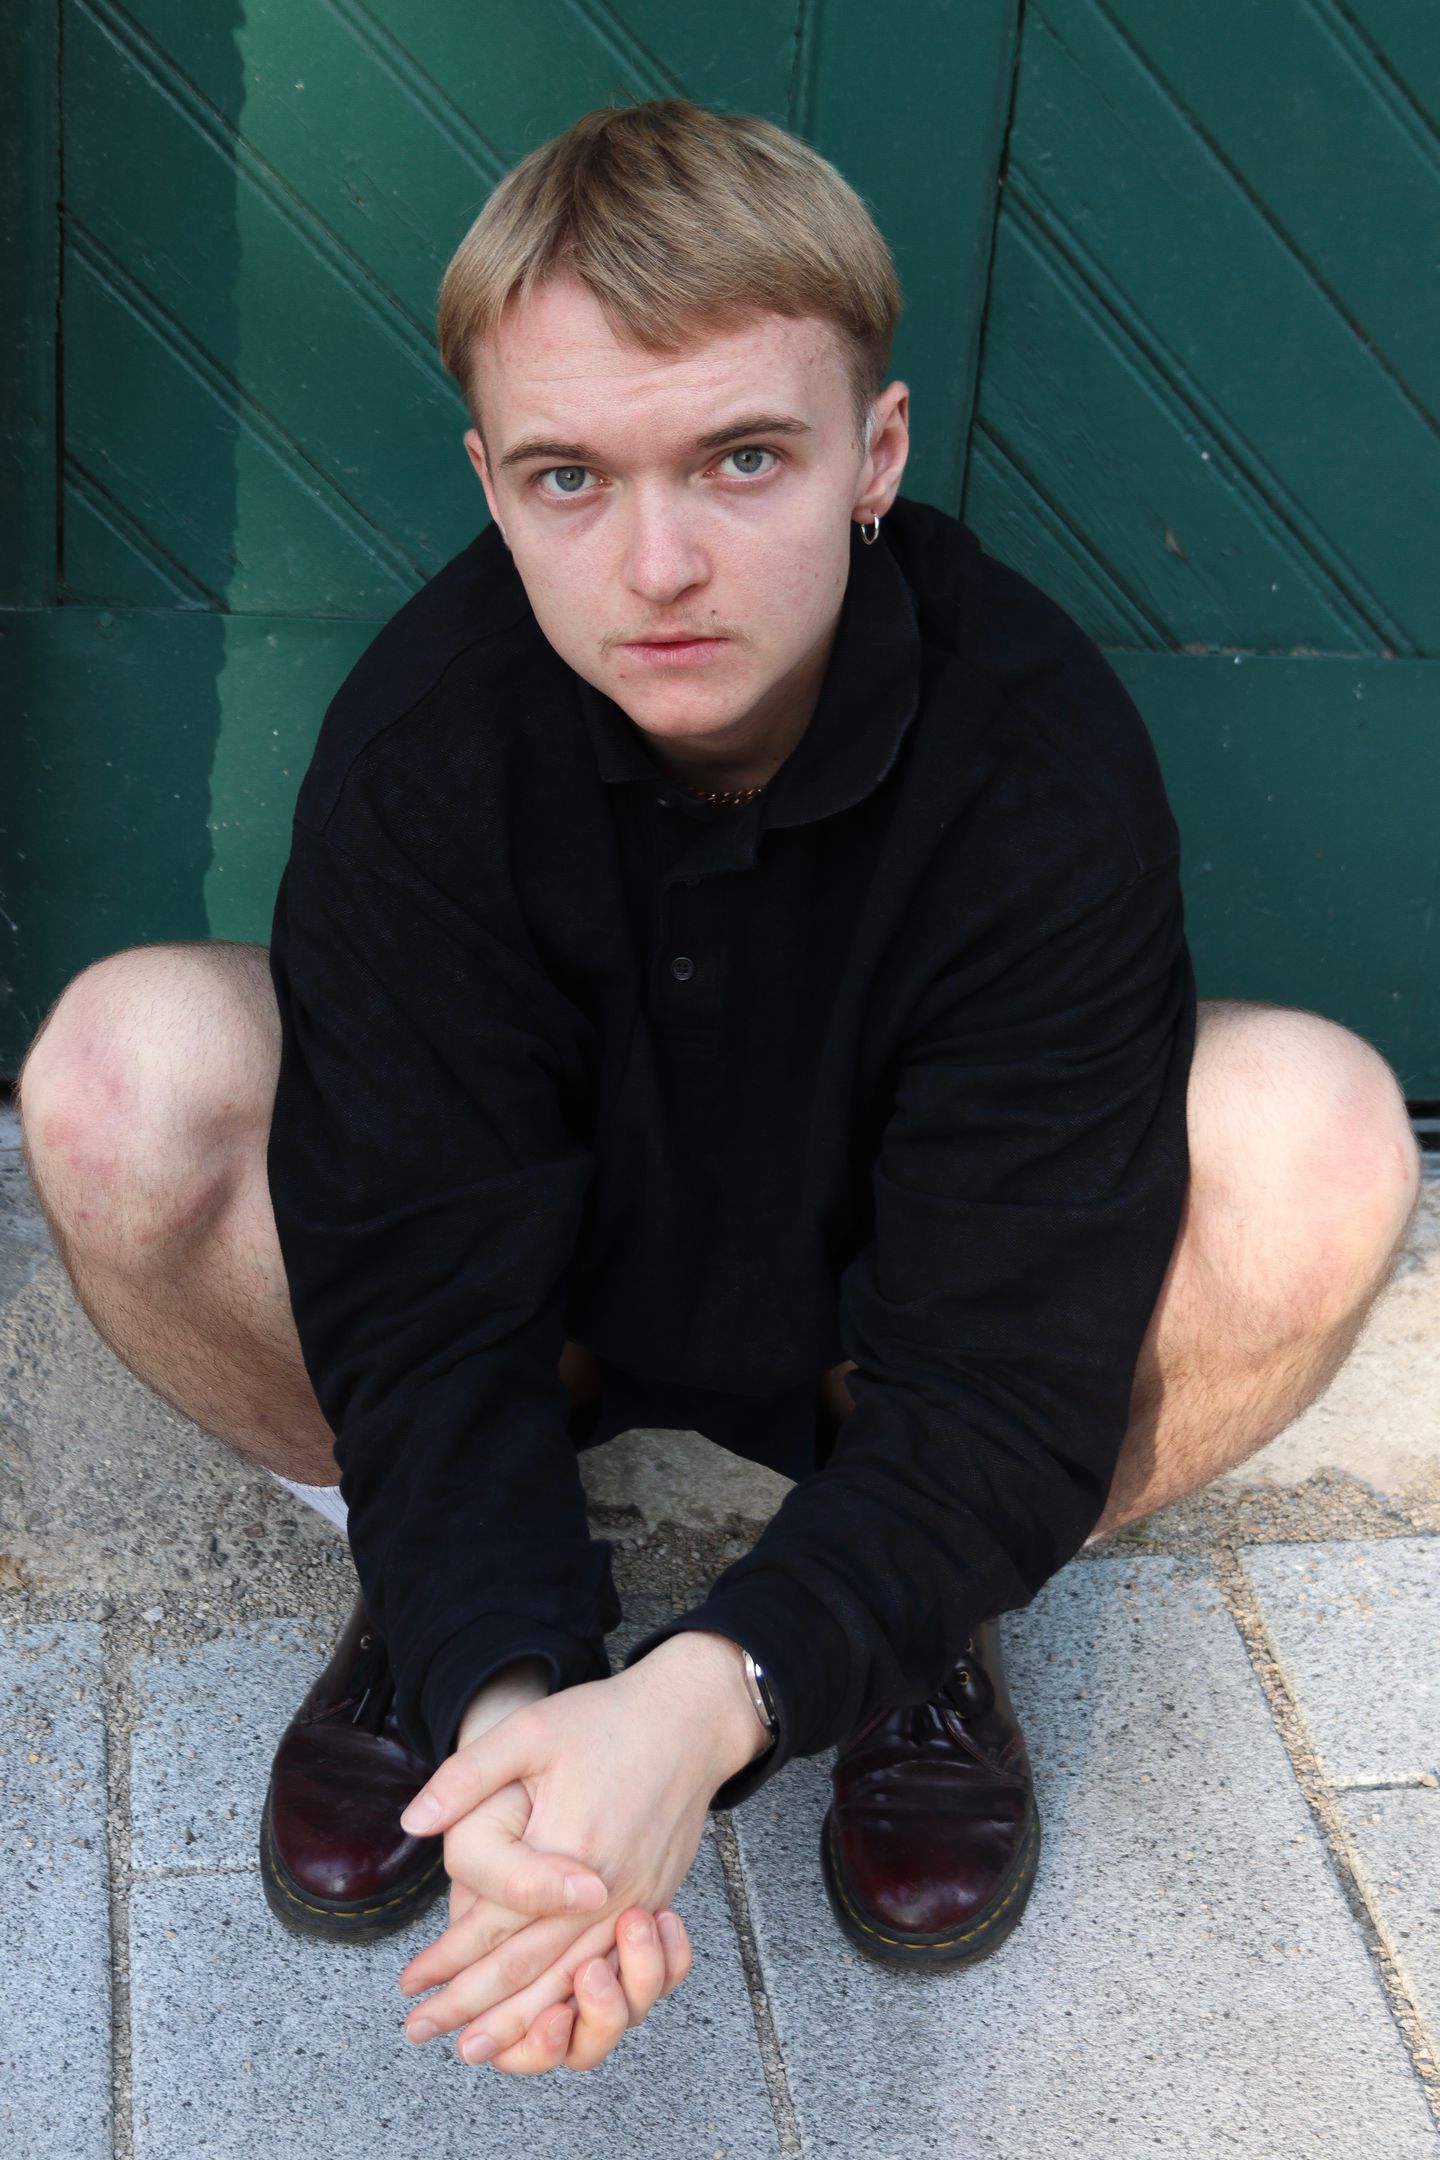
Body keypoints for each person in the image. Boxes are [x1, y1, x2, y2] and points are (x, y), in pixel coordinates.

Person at [14, 98, 1421, 2081]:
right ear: (490, 481)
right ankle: (441, 1602)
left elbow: (1013, 1361)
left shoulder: (1036, 758)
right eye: (570, 477)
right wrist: (520, 1733)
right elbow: (413, 1282)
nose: (657, 564)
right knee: (114, 1076)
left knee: (1324, 1139)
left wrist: (699, 1707)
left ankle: (902, 1615)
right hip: (555, 1306)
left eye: (743, 458)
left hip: (883, 1328)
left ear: (877, 456)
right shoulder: (430, 742)